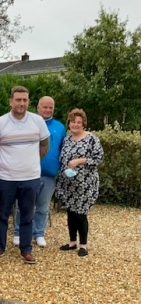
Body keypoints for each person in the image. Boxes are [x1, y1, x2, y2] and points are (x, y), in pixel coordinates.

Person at [0, 86, 50, 264]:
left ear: (28, 102)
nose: (21, 103)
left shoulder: (37, 121)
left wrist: (32, 160)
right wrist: (6, 166)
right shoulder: (0, 123)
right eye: (18, 100)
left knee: (27, 215)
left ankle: (26, 249)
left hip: (31, 178)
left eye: (24, 100)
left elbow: (45, 145)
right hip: (6, 178)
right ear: (11, 101)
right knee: (2, 215)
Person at [13, 96, 66, 247]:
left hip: (49, 174)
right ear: (38, 107)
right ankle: (18, 232)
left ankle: (39, 233)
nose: (48, 110)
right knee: (22, 205)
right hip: (27, 173)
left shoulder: (60, 127)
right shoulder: (29, 123)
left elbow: (63, 149)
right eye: (45, 107)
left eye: (51, 107)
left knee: (43, 207)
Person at [55, 108, 104, 257]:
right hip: (68, 184)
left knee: (81, 214)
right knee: (70, 212)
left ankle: (83, 245)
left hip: (85, 184)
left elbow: (99, 158)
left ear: (83, 124)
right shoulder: (67, 140)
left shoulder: (91, 139)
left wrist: (80, 161)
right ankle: (72, 242)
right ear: (69, 123)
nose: (75, 125)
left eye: (78, 122)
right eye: (72, 122)